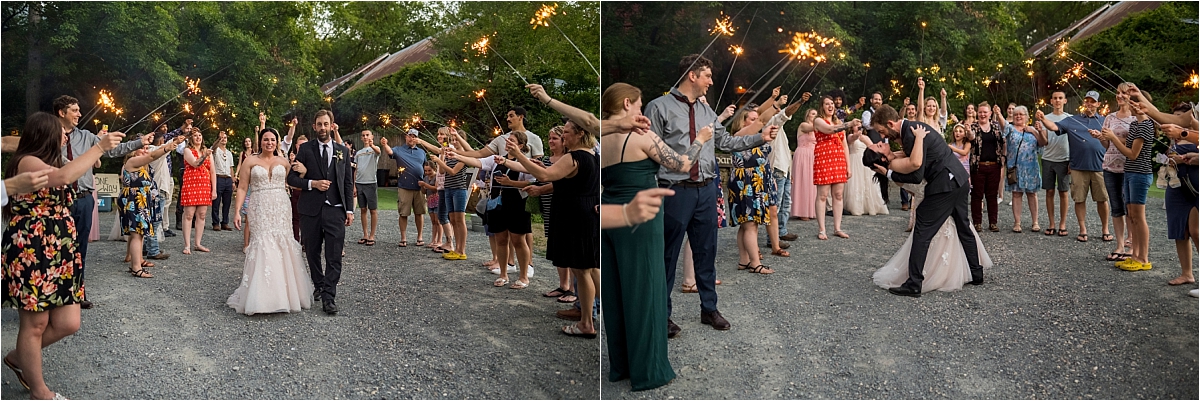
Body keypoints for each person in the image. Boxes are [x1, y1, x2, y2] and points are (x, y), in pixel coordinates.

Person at [644, 54, 778, 336]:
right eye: (707, 75)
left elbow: (726, 142)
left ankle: (709, 309)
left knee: (707, 253)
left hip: (705, 190)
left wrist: (760, 137)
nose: (711, 81)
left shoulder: (707, 111)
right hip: (673, 191)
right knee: (667, 255)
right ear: (692, 75)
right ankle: (661, 314)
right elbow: (648, 150)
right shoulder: (658, 107)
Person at [3, 112, 124, 400]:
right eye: (61, 131)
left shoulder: (54, 160)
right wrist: (98, 147)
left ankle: (18, 358)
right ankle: (39, 390)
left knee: (69, 322)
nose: (66, 135)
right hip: (33, 250)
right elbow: (63, 177)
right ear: (45, 133)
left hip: (60, 250)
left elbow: (79, 168)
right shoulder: (27, 160)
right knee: (35, 325)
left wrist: (102, 151)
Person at [601, 82, 711, 390]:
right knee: (645, 289)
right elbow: (682, 164)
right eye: (638, 105)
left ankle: (621, 365)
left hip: (610, 216)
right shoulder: (641, 136)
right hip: (642, 215)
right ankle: (649, 371)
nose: (641, 111)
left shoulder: (603, 137)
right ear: (625, 104)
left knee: (617, 291)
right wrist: (700, 139)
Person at [869, 105, 983, 297]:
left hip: (944, 185)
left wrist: (888, 173)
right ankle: (976, 273)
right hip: (960, 180)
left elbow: (916, 174)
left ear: (890, 124)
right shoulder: (911, 129)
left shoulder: (911, 134)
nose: (882, 137)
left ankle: (914, 284)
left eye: (882, 131)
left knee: (922, 228)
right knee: (964, 226)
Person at [507, 118, 599, 337]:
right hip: (584, 213)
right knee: (588, 267)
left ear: (579, 134)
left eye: (567, 132)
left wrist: (519, 155)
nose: (564, 135)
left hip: (576, 215)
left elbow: (544, 176)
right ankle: (600, 313)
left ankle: (587, 321)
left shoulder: (575, 156)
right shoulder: (592, 155)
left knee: (583, 269)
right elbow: (559, 177)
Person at [55, 95, 149, 309]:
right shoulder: (49, 135)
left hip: (84, 199)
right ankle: (55, 294)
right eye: (74, 110)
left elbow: (112, 150)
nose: (79, 114)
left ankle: (78, 293)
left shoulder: (86, 136)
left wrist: (138, 142)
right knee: (57, 248)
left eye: (79, 110)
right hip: (59, 199)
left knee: (80, 249)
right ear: (62, 112)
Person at [228, 128, 315, 315]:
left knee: (282, 243)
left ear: (277, 142)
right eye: (266, 139)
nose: (269, 143)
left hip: (280, 206)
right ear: (261, 141)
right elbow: (242, 187)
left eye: (273, 140)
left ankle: (286, 294)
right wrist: (237, 212)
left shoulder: (283, 162)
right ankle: (261, 296)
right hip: (259, 206)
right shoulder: (250, 161)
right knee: (262, 243)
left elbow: (294, 182)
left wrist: (304, 172)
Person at [285, 109, 354, 315]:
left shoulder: (343, 151)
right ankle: (319, 284)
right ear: (314, 126)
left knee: (334, 255)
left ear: (332, 126)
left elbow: (347, 182)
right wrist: (312, 183)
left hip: (335, 210)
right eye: (319, 124)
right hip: (310, 210)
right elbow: (292, 179)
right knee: (313, 252)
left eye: (326, 124)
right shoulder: (305, 149)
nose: (322, 128)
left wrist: (349, 209)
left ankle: (329, 295)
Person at [448, 132, 535, 289]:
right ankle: (503, 274)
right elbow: (477, 161)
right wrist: (458, 156)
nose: (508, 142)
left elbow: (530, 184)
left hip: (517, 205)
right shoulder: (496, 159)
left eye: (512, 141)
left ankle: (523, 276)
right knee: (501, 239)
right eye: (508, 140)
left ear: (520, 145)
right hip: (497, 204)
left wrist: (511, 182)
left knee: (518, 240)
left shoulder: (525, 162)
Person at [1036, 90, 1112, 243]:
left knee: (1102, 199)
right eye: (1087, 101)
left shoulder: (1105, 120)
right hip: (1078, 167)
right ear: (1084, 103)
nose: (1089, 104)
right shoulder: (1073, 120)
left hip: (1099, 166)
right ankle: (1082, 229)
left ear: (1098, 104)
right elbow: (1053, 127)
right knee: (1079, 199)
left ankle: (1105, 229)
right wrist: (1043, 118)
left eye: (1093, 101)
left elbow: (1112, 141)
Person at [1100, 87, 1155, 271]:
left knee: (1139, 217)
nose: (1130, 105)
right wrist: (1105, 137)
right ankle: (1135, 255)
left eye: (1133, 102)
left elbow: (1132, 154)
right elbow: (1124, 144)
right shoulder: (1135, 125)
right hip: (1130, 173)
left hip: (1140, 173)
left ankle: (1143, 258)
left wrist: (1113, 138)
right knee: (1131, 214)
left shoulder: (1146, 125)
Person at [728, 100, 787, 271]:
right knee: (750, 223)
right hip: (745, 182)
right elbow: (762, 119)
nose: (756, 122)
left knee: (746, 225)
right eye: (751, 119)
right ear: (742, 121)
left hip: (760, 181)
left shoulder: (758, 138)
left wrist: (770, 180)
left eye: (756, 119)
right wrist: (775, 105)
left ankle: (744, 260)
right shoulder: (738, 137)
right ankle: (755, 263)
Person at [119, 134, 187, 278]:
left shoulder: (139, 164)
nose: (145, 150)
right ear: (133, 150)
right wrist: (167, 147)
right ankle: (136, 268)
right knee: (137, 234)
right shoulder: (132, 161)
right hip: (134, 201)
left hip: (140, 201)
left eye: (146, 148)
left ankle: (136, 260)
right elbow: (152, 156)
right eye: (142, 148)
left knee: (137, 233)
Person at [1099, 83, 1139, 259]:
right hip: (1110, 166)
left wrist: (1114, 137)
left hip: (1128, 166)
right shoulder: (1110, 117)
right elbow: (1107, 145)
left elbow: (1134, 145)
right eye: (1117, 93)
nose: (1120, 96)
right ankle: (1120, 245)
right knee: (1116, 206)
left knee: (1129, 207)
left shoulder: (1136, 118)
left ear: (1131, 96)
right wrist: (1101, 138)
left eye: (1123, 93)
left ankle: (1132, 243)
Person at [813, 96, 862, 239]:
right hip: (824, 159)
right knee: (822, 195)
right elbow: (829, 130)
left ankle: (837, 228)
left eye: (832, 104)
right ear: (822, 107)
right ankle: (822, 229)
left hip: (838, 159)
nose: (830, 106)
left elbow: (845, 144)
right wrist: (849, 124)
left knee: (838, 195)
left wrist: (848, 166)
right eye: (827, 104)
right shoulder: (818, 120)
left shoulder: (838, 121)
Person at [1157, 116, 1198, 287]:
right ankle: (1186, 273)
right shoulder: (1174, 140)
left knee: (1196, 230)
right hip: (1176, 186)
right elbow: (1168, 158)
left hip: (1195, 184)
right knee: (1180, 231)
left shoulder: (1195, 135)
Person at [767, 93, 807, 246]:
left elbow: (784, 149)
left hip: (784, 168)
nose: (778, 110)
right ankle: (772, 239)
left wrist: (790, 171)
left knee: (785, 204)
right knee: (775, 206)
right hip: (777, 168)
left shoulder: (780, 127)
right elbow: (786, 113)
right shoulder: (771, 122)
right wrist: (800, 101)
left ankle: (781, 231)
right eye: (775, 108)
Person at [429, 127, 474, 261]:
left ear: (462, 140)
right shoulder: (450, 154)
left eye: (456, 140)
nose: (454, 142)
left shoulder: (464, 156)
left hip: (459, 189)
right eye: (453, 139)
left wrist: (439, 161)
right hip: (448, 188)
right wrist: (442, 156)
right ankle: (456, 248)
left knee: (460, 220)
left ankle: (462, 250)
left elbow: (453, 172)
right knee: (453, 220)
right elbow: (442, 172)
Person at [381, 129, 427, 247]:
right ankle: (403, 238)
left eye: (414, 136)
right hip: (404, 186)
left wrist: (426, 182)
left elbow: (426, 167)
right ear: (405, 137)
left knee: (419, 212)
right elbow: (390, 152)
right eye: (409, 136)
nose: (411, 138)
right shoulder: (399, 150)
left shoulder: (422, 152)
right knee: (403, 213)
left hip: (419, 186)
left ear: (417, 138)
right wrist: (385, 144)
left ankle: (420, 236)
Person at [968, 102, 1006, 232]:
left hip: (994, 165)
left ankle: (993, 222)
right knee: (977, 195)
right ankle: (977, 222)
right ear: (977, 113)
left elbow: (1005, 135)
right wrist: (968, 132)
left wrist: (999, 114)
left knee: (992, 195)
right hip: (978, 166)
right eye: (980, 112)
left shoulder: (996, 127)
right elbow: (970, 137)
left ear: (990, 114)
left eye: (985, 112)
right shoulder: (973, 126)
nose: (982, 114)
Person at [1040, 91, 1073, 237]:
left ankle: (1063, 223)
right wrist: (1040, 131)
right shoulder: (1045, 118)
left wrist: (1072, 160)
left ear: (1065, 101)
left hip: (1064, 159)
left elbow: (1074, 142)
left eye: (1060, 98)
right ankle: (1051, 223)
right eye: (1055, 98)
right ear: (1051, 101)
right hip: (1048, 158)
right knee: (1049, 191)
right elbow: (1044, 142)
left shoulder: (1070, 119)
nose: (1058, 100)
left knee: (1063, 192)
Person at [1004, 106, 1042, 232]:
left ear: (1026, 116)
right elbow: (1002, 125)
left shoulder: (1032, 129)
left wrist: (1034, 131)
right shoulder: (1009, 129)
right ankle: (1017, 222)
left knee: (1032, 194)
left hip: (1031, 167)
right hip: (1015, 167)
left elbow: (1042, 144)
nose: (1018, 116)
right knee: (1016, 194)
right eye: (1016, 115)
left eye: (1021, 114)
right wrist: (998, 113)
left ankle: (1035, 222)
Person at [179, 127, 216, 254]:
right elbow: (195, 164)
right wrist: (204, 156)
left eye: (200, 135)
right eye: (195, 136)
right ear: (191, 138)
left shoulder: (206, 151)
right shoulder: (187, 150)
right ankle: (187, 245)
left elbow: (212, 171)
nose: (198, 137)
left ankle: (198, 243)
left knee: (202, 214)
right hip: (191, 184)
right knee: (189, 214)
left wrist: (214, 189)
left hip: (205, 186)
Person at [354, 130, 381, 246]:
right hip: (359, 182)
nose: (365, 137)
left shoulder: (374, 150)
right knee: (363, 209)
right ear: (361, 138)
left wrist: (372, 145)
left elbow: (379, 151)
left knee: (373, 210)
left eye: (367, 135)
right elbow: (356, 169)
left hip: (371, 183)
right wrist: (354, 185)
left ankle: (372, 235)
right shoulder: (358, 153)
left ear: (372, 137)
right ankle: (365, 234)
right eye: (363, 135)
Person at [791, 109, 819, 220]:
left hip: (813, 156)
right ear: (807, 115)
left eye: (816, 115)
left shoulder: (817, 129)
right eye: (813, 114)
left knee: (812, 182)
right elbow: (812, 127)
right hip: (803, 154)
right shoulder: (803, 125)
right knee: (803, 181)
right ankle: (801, 211)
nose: (815, 116)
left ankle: (811, 210)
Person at [210, 131, 235, 231]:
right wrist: (218, 139)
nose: (224, 139)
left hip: (228, 178)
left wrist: (233, 181)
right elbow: (212, 148)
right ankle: (215, 223)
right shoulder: (216, 150)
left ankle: (225, 222)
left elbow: (231, 168)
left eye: (225, 137)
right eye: (222, 138)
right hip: (218, 177)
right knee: (216, 202)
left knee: (227, 202)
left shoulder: (229, 153)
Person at [418, 162, 443, 250]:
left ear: (434, 169)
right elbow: (424, 192)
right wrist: (421, 186)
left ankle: (439, 241)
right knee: (433, 221)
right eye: (426, 171)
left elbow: (436, 188)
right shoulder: (425, 178)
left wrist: (425, 185)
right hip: (430, 201)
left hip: (437, 200)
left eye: (429, 170)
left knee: (438, 221)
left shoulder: (437, 177)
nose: (427, 172)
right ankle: (433, 240)